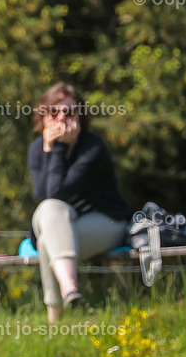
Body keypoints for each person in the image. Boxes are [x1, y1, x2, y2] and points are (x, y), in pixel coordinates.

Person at [28, 83, 132, 323]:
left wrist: (58, 147)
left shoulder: (92, 147)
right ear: (44, 115)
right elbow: (45, 197)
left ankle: (56, 317)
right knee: (49, 213)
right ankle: (70, 291)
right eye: (55, 112)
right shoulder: (37, 149)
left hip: (108, 221)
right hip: (62, 225)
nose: (62, 118)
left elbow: (59, 191)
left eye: (69, 112)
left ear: (80, 117)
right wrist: (50, 148)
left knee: (47, 241)